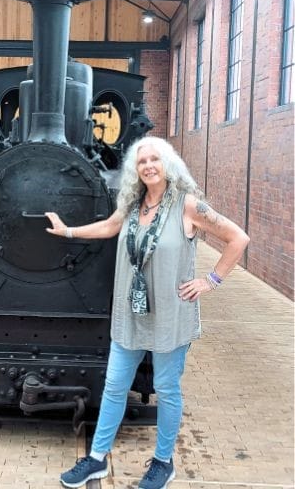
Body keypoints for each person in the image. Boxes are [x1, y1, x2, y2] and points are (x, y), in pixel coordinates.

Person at [47, 136, 249, 489]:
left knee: (166, 388)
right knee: (113, 387)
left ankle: (163, 462)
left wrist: (210, 280)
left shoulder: (188, 206)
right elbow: (109, 227)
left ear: (168, 164)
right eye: (142, 162)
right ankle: (96, 459)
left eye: (155, 159)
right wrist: (67, 231)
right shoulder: (132, 203)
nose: (149, 166)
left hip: (172, 315)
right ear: (135, 170)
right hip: (131, 313)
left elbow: (238, 238)